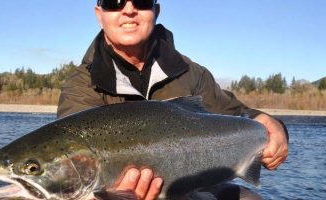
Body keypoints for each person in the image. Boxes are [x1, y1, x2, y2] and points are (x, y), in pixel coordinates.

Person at [57, 0, 289, 199]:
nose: (128, 9)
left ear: (156, 11)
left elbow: (240, 115)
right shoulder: (80, 87)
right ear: (99, 15)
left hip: (196, 191)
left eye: (141, 0)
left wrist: (272, 125)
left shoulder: (190, 73)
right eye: (114, 2)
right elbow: (69, 166)